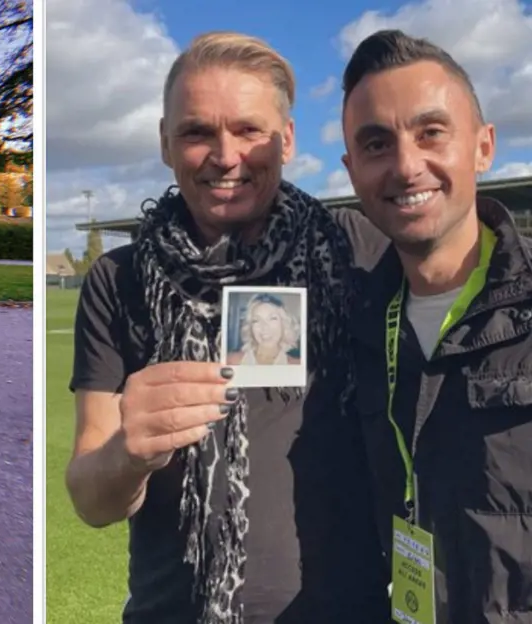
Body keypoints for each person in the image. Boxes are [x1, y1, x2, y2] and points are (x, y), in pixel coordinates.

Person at [65, 31, 391, 623]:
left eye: (248, 129)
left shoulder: (359, 250)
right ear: (165, 144)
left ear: (287, 139)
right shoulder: (121, 278)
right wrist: (129, 453)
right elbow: (90, 499)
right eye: (196, 132)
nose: (225, 154)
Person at [340, 29, 532, 623]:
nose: (405, 165)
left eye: (431, 133)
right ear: (351, 170)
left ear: (482, 147)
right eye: (376, 144)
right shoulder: (357, 328)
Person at [226, 293, 301, 365]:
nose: (264, 327)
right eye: (257, 320)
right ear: (250, 328)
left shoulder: (297, 365)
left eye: (272, 318)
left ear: (284, 324)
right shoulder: (231, 362)